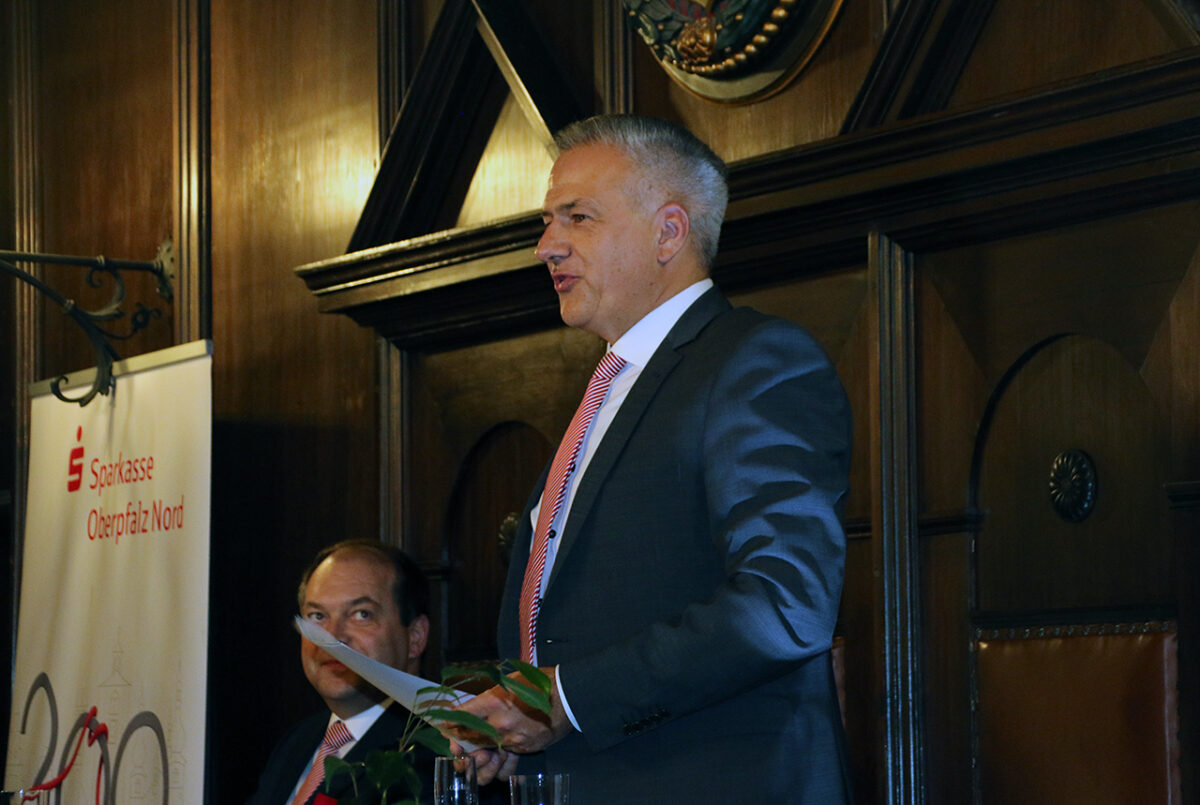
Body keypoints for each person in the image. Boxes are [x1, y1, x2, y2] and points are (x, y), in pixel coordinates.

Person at [451, 115, 854, 804]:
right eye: (547, 221)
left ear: (669, 232)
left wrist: (567, 700)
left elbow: (786, 603)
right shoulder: (609, 391)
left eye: (577, 217)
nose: (547, 245)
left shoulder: (753, 360)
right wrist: (516, 723)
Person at [246, 539, 434, 804]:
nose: (332, 638)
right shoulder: (296, 742)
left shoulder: (442, 749)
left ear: (415, 637)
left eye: (361, 614)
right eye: (317, 616)